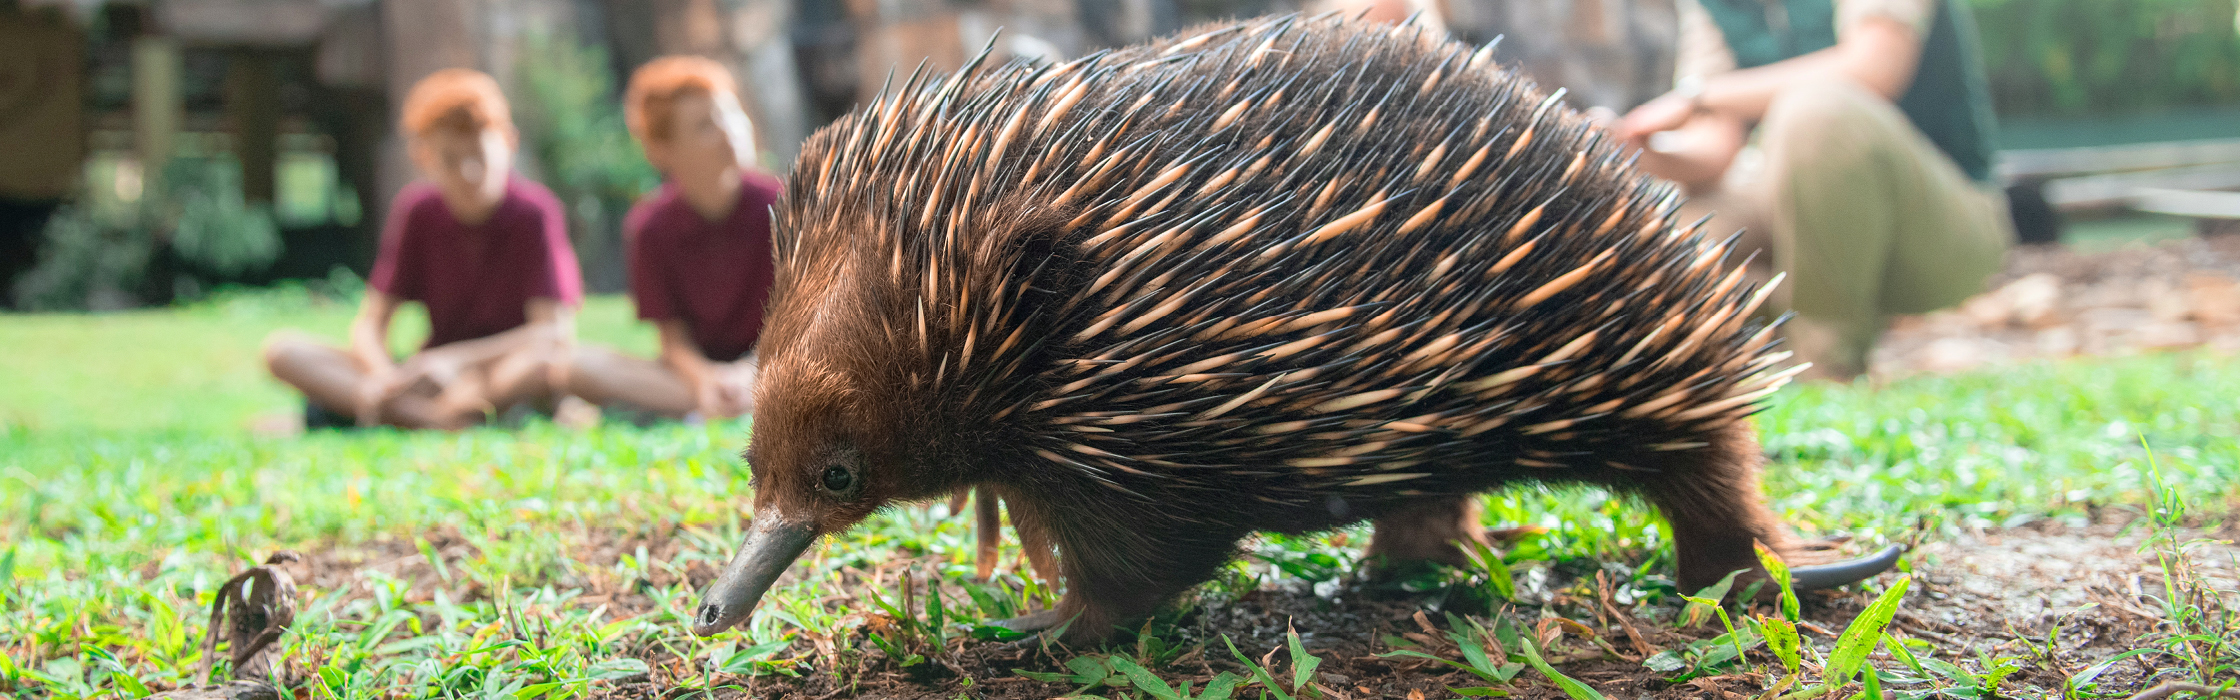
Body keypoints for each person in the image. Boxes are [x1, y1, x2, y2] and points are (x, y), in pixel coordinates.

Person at [1614, 0, 2014, 378]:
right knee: (1674, 236)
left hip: (1941, 226)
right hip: (1798, 220)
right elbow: (1713, 148)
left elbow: (1875, 67)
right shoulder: (1711, 6)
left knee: (1816, 115)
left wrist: (1697, 98)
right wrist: (1632, 149)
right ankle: (1773, 344)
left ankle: (1827, 365)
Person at [263, 68, 582, 429]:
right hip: (425, 379)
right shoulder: (418, 211)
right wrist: (384, 376)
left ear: (509, 143)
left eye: (480, 155)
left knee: (548, 367)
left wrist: (455, 361)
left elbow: (552, 332)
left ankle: (396, 417)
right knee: (284, 351)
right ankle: (432, 420)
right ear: (423, 156)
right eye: (450, 159)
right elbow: (371, 323)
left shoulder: (534, 213)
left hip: (495, 373)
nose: (469, 173)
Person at [558, 57, 779, 420]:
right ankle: (723, 402)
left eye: (732, 114)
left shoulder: (785, 204)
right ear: (661, 150)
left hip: (777, 362)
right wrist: (705, 379)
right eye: (705, 125)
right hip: (693, 376)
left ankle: (733, 400)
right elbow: (673, 342)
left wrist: (750, 372)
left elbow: (807, 323)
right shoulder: (649, 227)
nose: (729, 131)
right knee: (577, 367)